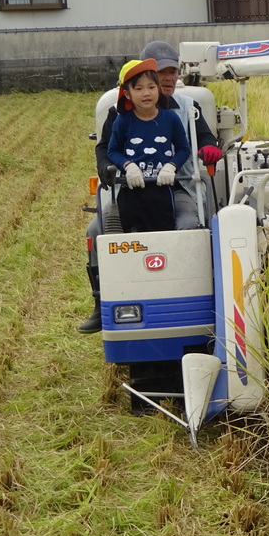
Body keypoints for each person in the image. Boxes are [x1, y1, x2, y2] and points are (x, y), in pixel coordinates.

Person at [77, 41, 224, 334]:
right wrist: (111, 169)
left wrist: (209, 149)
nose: (167, 79)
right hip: (130, 189)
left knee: (189, 226)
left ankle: (194, 296)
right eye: (160, 72)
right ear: (134, 86)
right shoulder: (118, 114)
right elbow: (105, 149)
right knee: (97, 231)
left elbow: (205, 139)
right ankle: (102, 300)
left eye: (172, 72)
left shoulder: (187, 107)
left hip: (178, 187)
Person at [106, 58, 191, 232]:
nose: (146, 93)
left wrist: (171, 166)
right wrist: (128, 166)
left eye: (151, 87)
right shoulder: (122, 120)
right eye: (139, 88)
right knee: (131, 237)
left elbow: (184, 148)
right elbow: (112, 150)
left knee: (163, 233)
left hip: (162, 190)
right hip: (130, 189)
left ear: (158, 89)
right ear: (127, 94)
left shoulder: (171, 118)